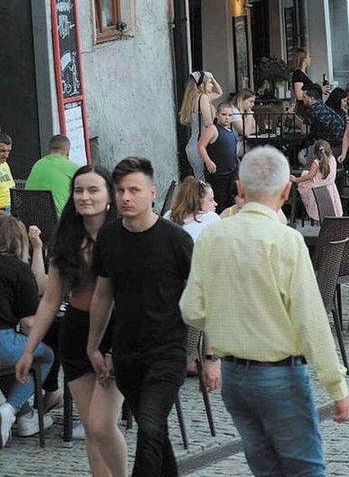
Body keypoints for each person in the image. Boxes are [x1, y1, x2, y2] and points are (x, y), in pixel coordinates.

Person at [180, 147, 349, 477]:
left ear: (239, 188)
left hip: (235, 378)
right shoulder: (285, 240)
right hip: (280, 373)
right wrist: (336, 387)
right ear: (287, 191)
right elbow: (311, 321)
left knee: (265, 469)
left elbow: (191, 309)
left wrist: (230, 319)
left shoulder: (213, 235)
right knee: (305, 469)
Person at [86, 157, 202, 477]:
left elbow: (202, 295)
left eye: (134, 190)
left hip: (167, 351)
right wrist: (95, 347)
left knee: (150, 427)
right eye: (120, 190)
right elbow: (102, 296)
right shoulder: (109, 238)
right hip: (127, 354)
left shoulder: (176, 241)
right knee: (156, 433)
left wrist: (212, 353)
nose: (125, 197)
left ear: (152, 193)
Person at [16, 166, 127, 472]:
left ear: (109, 197)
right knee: (91, 429)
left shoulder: (124, 237)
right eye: (79, 190)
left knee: (103, 425)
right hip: (76, 332)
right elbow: (51, 299)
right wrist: (29, 349)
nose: (84, 196)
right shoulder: (67, 240)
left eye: (93, 190)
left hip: (116, 334)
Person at [0, 216, 54, 446]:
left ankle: (24, 417)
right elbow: (29, 323)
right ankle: (11, 409)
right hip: (2, 341)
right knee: (46, 356)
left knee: (13, 364)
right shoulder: (18, 270)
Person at [178, 71, 223, 180]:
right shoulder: (203, 98)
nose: (212, 85)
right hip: (200, 146)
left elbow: (219, 92)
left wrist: (211, 77)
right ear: (202, 85)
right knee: (204, 184)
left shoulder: (194, 98)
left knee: (200, 180)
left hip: (192, 145)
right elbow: (208, 123)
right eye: (210, 82)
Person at [198, 103, 240, 212]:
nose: (227, 118)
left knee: (230, 201)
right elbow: (201, 145)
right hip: (218, 174)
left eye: (230, 115)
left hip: (231, 172)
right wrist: (208, 161)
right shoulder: (213, 129)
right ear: (217, 115)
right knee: (219, 202)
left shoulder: (230, 132)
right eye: (224, 114)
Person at [25, 134, 80, 216]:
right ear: (68, 152)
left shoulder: (38, 163)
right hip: (59, 220)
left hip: (32, 217)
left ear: (49, 150)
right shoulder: (72, 167)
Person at [292, 140, 342, 223]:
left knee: (303, 185)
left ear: (314, 153)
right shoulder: (332, 159)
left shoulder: (316, 163)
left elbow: (309, 176)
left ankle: (315, 218)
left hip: (317, 189)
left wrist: (296, 179)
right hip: (330, 188)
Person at [163, 177, 220, 242]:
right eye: (211, 200)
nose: (215, 204)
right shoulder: (212, 218)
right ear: (197, 202)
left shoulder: (168, 215)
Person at [300, 84, 346, 153]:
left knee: (301, 154)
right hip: (341, 145)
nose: (302, 99)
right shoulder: (324, 107)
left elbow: (304, 131)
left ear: (311, 99)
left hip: (329, 147)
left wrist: (294, 118)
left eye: (304, 97)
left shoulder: (312, 109)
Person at [0, 134, 11, 213]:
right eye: (2, 151)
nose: (6, 155)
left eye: (9, 151)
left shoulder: (5, 164)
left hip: (12, 207)